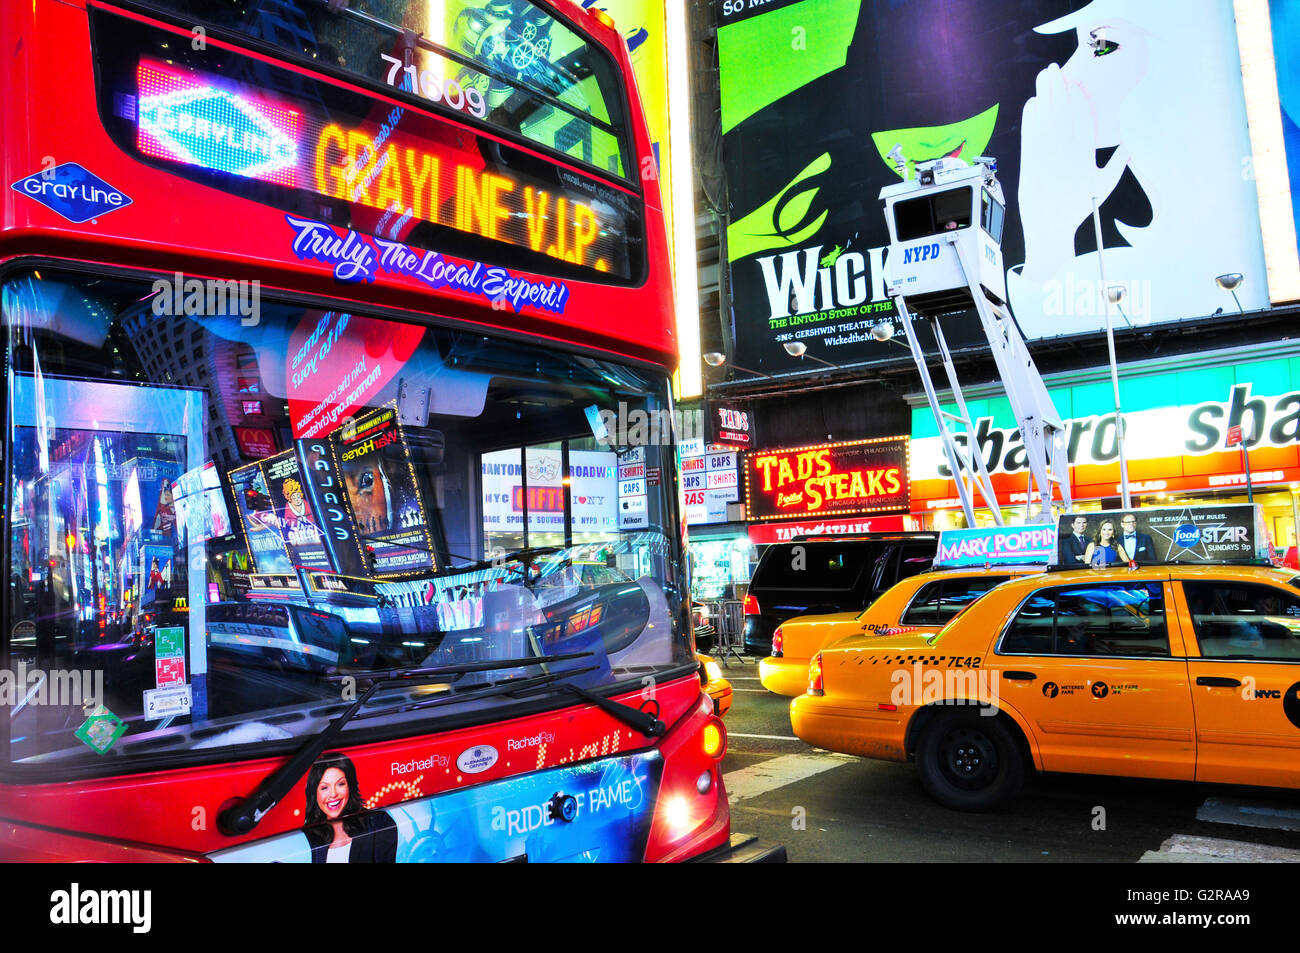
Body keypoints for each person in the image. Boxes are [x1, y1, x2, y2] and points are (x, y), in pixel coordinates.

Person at [303, 753, 397, 863]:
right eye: (324, 787)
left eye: (340, 784)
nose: (333, 794)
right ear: (315, 794)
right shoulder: (309, 836)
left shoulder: (379, 823)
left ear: (350, 787)